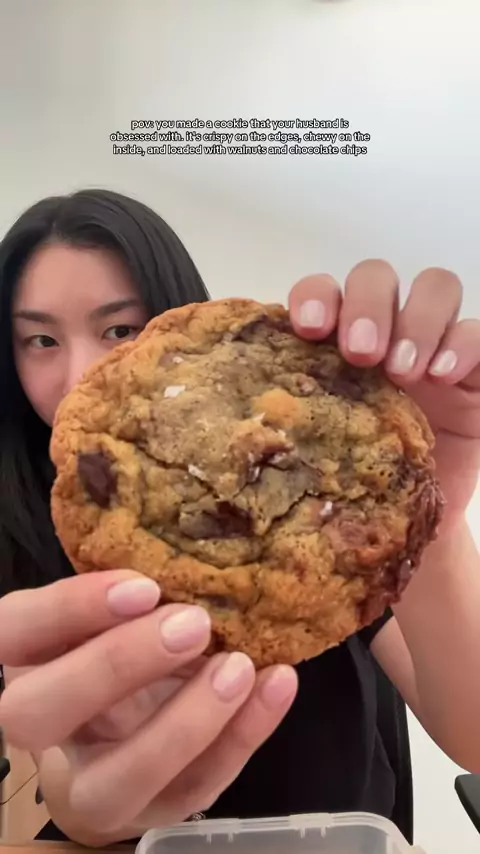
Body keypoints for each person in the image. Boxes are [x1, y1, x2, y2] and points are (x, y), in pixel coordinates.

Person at [0, 188, 479, 848]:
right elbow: (62, 785)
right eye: (41, 340)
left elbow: (474, 737)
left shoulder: (322, 513)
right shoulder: (23, 532)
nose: (82, 375)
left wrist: (434, 533)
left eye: (119, 330)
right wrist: (93, 800)